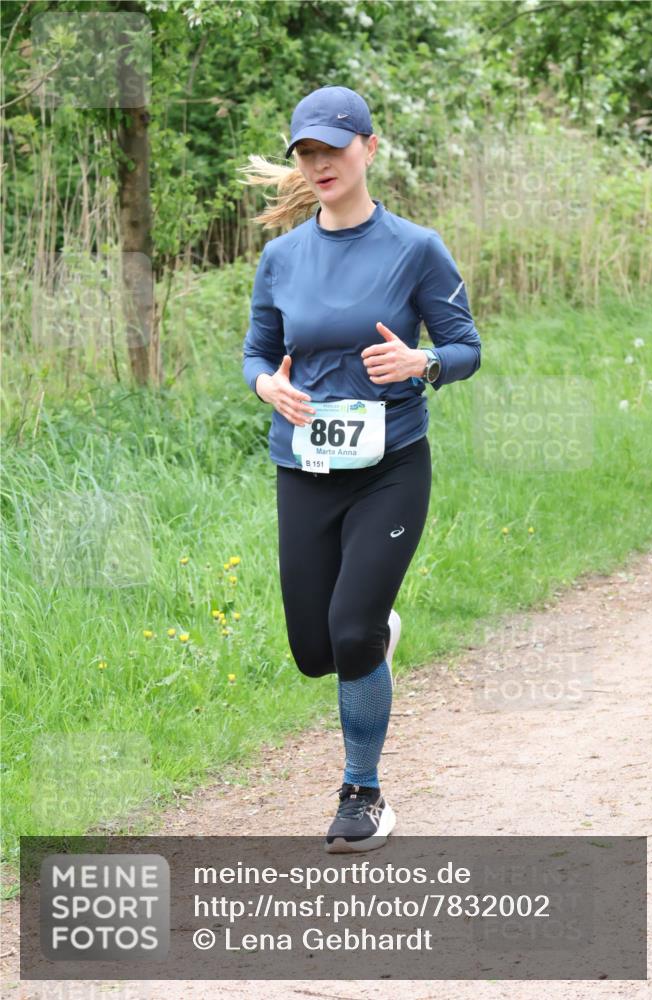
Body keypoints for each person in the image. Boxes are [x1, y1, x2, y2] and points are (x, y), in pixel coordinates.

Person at [239, 85, 481, 853]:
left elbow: (465, 347)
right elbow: (255, 349)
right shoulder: (281, 257)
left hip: (391, 466)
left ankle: (362, 794)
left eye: (332, 150)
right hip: (303, 465)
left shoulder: (415, 247)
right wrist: (264, 384)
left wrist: (422, 361)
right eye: (305, 153)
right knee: (315, 653)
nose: (319, 165)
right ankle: (371, 636)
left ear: (369, 149)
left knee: (348, 632)